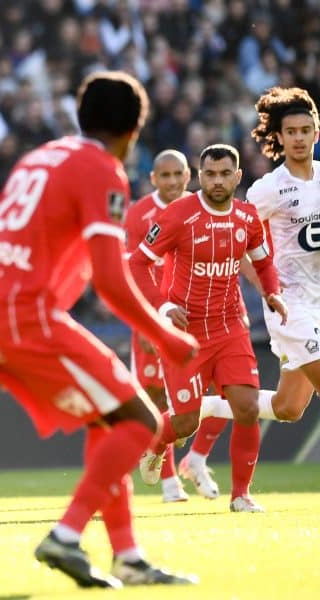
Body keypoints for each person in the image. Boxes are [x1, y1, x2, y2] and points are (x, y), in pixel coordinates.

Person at [0, 71, 199, 588]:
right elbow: (112, 279)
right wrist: (167, 337)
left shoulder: (40, 156)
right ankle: (67, 535)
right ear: (133, 132)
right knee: (144, 422)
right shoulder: (102, 169)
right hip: (25, 314)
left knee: (109, 423)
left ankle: (128, 557)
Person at [129, 144, 288, 513]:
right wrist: (164, 307)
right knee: (184, 421)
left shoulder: (247, 218)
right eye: (210, 174)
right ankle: (154, 444)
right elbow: (137, 264)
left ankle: (241, 495)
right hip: (185, 334)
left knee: (246, 407)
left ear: (237, 176)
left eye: (224, 174)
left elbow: (263, 263)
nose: (217, 181)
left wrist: (273, 293)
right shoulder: (178, 214)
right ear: (199, 177)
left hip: (230, 325)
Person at [193, 86, 320, 496]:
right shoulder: (270, 188)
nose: (299, 137)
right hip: (292, 305)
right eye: (291, 131)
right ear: (278, 138)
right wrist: (264, 284)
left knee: (289, 408)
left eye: (306, 129)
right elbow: (236, 234)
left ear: (316, 132)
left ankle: (208, 407)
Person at [122, 149, 228, 503]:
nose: (170, 182)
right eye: (163, 176)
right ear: (153, 179)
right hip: (153, 319)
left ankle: (196, 459)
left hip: (198, 319)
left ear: (189, 176)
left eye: (176, 175)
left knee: (221, 391)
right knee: (153, 399)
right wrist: (149, 321)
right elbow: (130, 269)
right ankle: (169, 482)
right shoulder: (138, 214)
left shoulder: (203, 208)